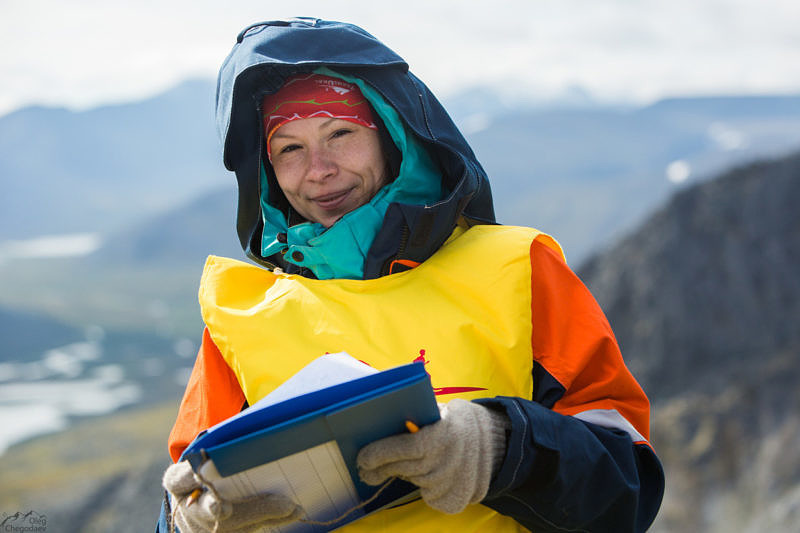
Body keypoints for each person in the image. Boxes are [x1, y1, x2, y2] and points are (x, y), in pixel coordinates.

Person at [157, 17, 664, 533]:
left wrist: (499, 447)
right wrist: (188, 523)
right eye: (289, 147)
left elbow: (630, 486)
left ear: (393, 135)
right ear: (265, 169)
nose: (319, 169)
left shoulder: (518, 269)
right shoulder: (239, 315)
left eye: (340, 133)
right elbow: (191, 488)